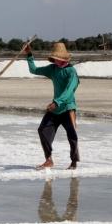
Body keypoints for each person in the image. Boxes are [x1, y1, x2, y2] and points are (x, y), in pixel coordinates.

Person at [25, 42, 80, 170]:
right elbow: (34, 70)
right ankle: (48, 159)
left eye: (58, 58)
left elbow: (69, 90)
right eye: (55, 58)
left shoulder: (71, 71)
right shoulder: (53, 69)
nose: (56, 60)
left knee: (72, 135)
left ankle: (74, 162)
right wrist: (29, 54)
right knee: (42, 130)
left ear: (64, 58)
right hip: (55, 109)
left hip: (67, 108)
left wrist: (57, 102)